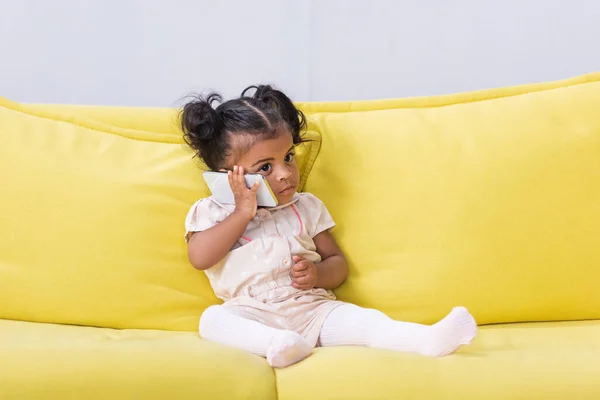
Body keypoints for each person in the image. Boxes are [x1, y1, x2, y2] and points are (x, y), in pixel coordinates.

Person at [181, 85, 477, 368]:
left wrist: (318, 274)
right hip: (252, 313)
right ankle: (277, 344)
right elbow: (200, 257)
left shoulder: (305, 206)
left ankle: (427, 339)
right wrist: (243, 212)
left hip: (313, 310)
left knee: (365, 322)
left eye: (288, 157)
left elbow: (338, 264)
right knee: (212, 320)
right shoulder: (213, 212)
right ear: (229, 176)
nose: (286, 173)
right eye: (266, 167)